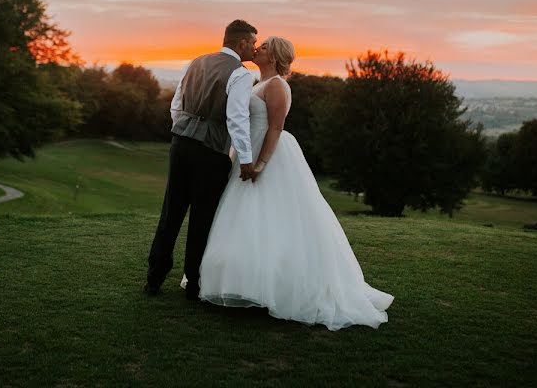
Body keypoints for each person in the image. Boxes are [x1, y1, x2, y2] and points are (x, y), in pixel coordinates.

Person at [185, 36, 394, 330]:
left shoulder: (278, 86)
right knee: (243, 218)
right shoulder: (256, 83)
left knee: (272, 216)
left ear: (275, 56)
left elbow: (276, 127)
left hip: (269, 155)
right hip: (245, 153)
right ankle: (242, 281)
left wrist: (260, 163)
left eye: (265, 46)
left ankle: (272, 286)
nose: (258, 48)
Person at [144, 20, 258, 300]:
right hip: (211, 152)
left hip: (180, 144)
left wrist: (186, 130)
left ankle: (154, 279)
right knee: (202, 218)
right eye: (253, 43)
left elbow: (176, 105)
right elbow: (237, 118)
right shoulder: (241, 74)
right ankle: (193, 285)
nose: (255, 48)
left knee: (170, 213)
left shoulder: (196, 61)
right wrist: (245, 158)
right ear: (241, 43)